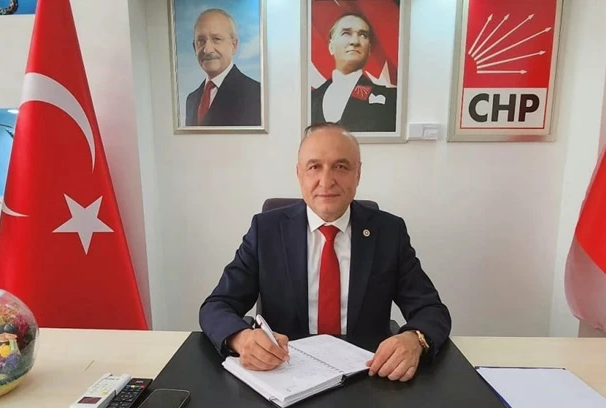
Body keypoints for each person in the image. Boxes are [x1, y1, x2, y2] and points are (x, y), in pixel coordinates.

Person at [199, 122, 451, 382]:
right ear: (299, 174)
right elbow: (217, 306)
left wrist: (415, 339)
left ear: (358, 174)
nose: (327, 181)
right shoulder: (267, 231)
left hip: (367, 376)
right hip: (284, 375)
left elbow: (431, 310)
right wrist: (241, 339)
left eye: (341, 166)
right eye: (314, 167)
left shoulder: (388, 233)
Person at [310, 13, 397, 132]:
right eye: (346, 33)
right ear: (331, 46)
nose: (355, 41)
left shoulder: (390, 98)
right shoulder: (312, 99)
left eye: (363, 35)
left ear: (369, 49)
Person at [185, 9, 261, 127]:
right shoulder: (191, 99)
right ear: (194, 47)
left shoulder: (256, 94)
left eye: (216, 39)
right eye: (201, 41)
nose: (207, 49)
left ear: (234, 45)